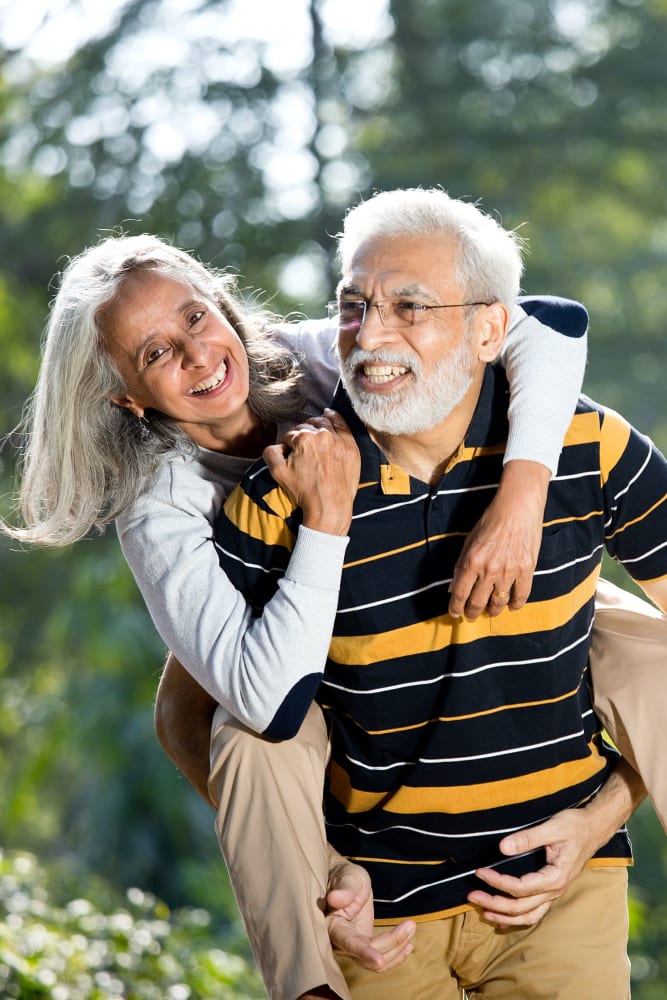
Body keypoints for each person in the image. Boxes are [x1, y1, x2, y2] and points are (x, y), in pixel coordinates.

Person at [1, 230, 598, 1000]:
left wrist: (520, 497)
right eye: (153, 354)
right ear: (126, 395)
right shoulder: (160, 508)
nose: (193, 356)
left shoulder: (314, 359)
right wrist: (325, 518)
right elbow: (271, 704)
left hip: (452, 594)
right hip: (320, 683)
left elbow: (549, 322)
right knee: (243, 742)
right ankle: (316, 960)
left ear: (220, 306)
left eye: (193, 319)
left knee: (639, 646)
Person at [212, 187, 667, 998]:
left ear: (490, 328)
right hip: (375, 916)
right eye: (352, 306)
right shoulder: (281, 493)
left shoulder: (589, 448)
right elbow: (215, 714)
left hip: (556, 893)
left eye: (408, 305)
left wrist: (599, 818)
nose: (370, 335)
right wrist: (320, 868)